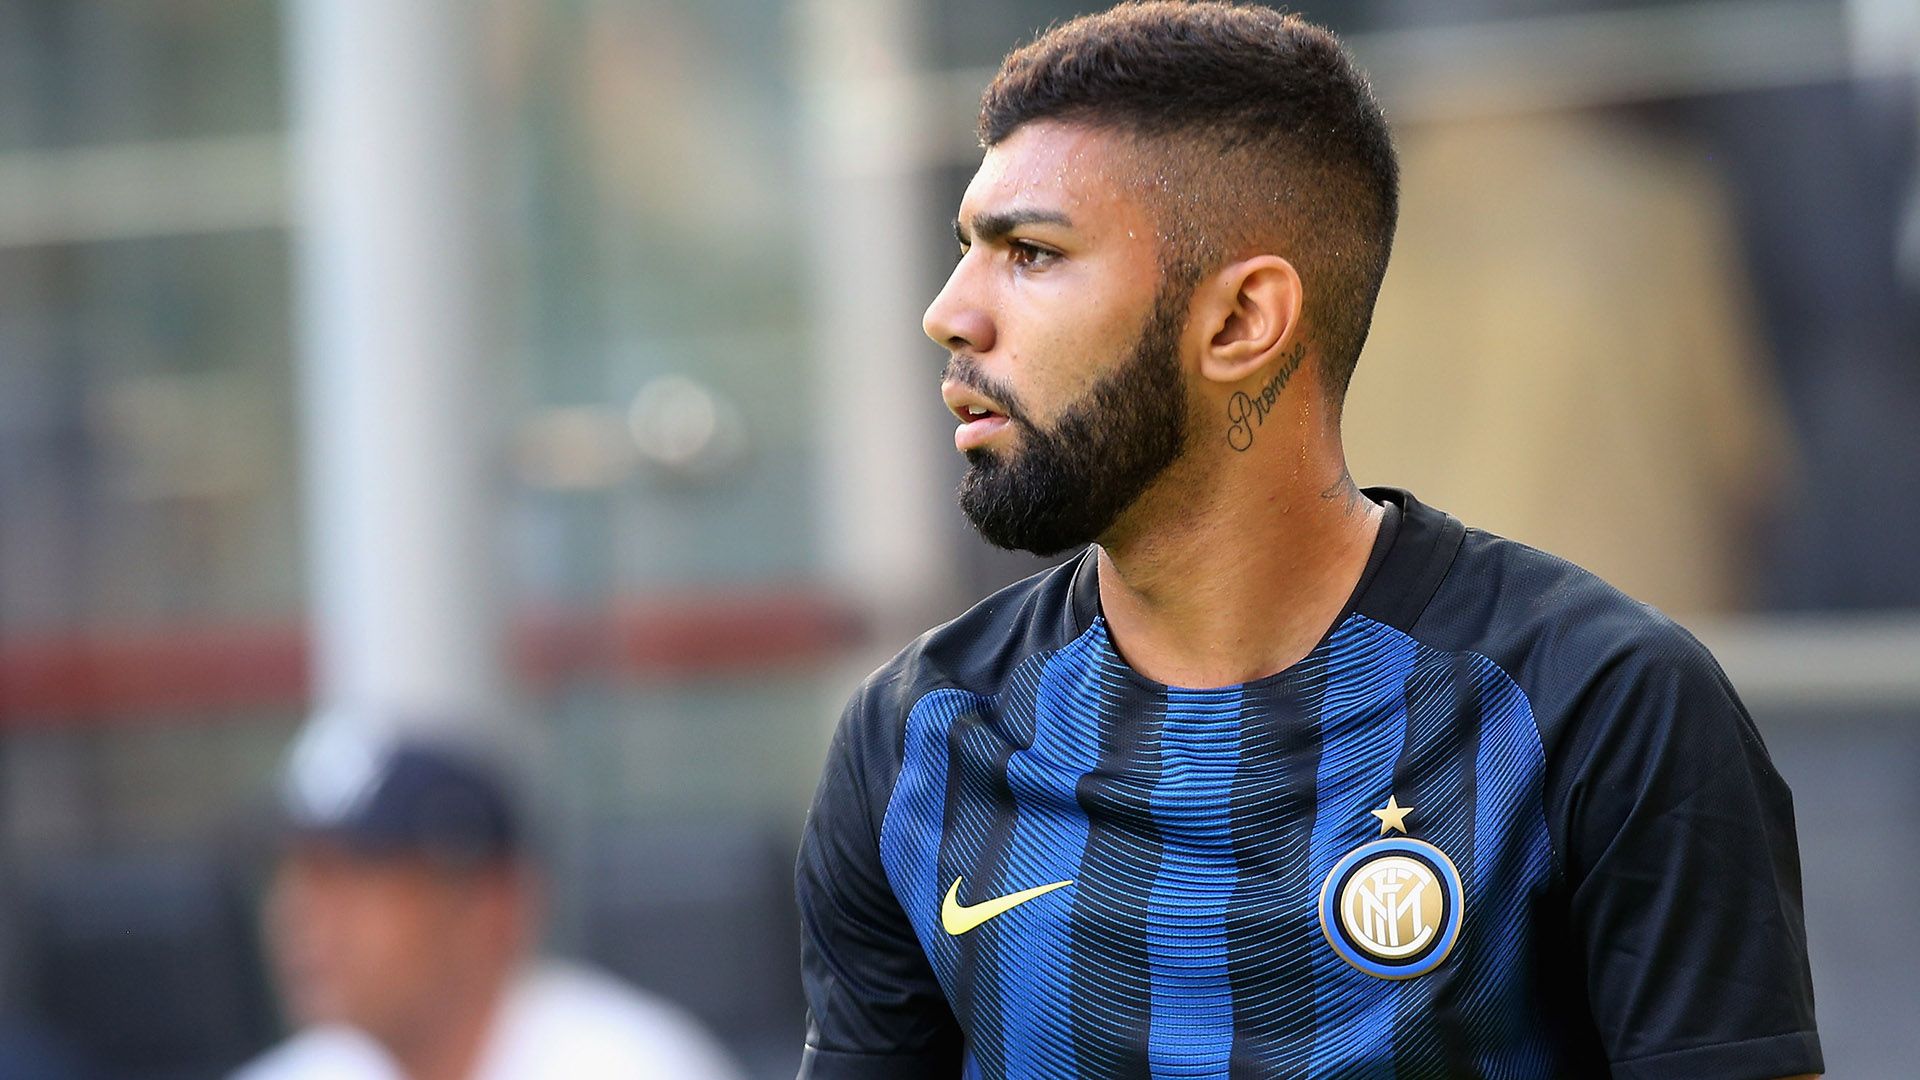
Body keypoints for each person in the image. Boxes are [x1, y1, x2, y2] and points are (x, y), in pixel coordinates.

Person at [793, 4, 1822, 1079]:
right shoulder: (917, 741)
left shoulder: (1603, 709)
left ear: (1241, 322)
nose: (949, 313)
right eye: (968, 251)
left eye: (1033, 254)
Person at [235, 721, 743, 1080]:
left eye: (353, 880)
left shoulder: (634, 1067)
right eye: (297, 879)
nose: (301, 916)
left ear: (491, 905)